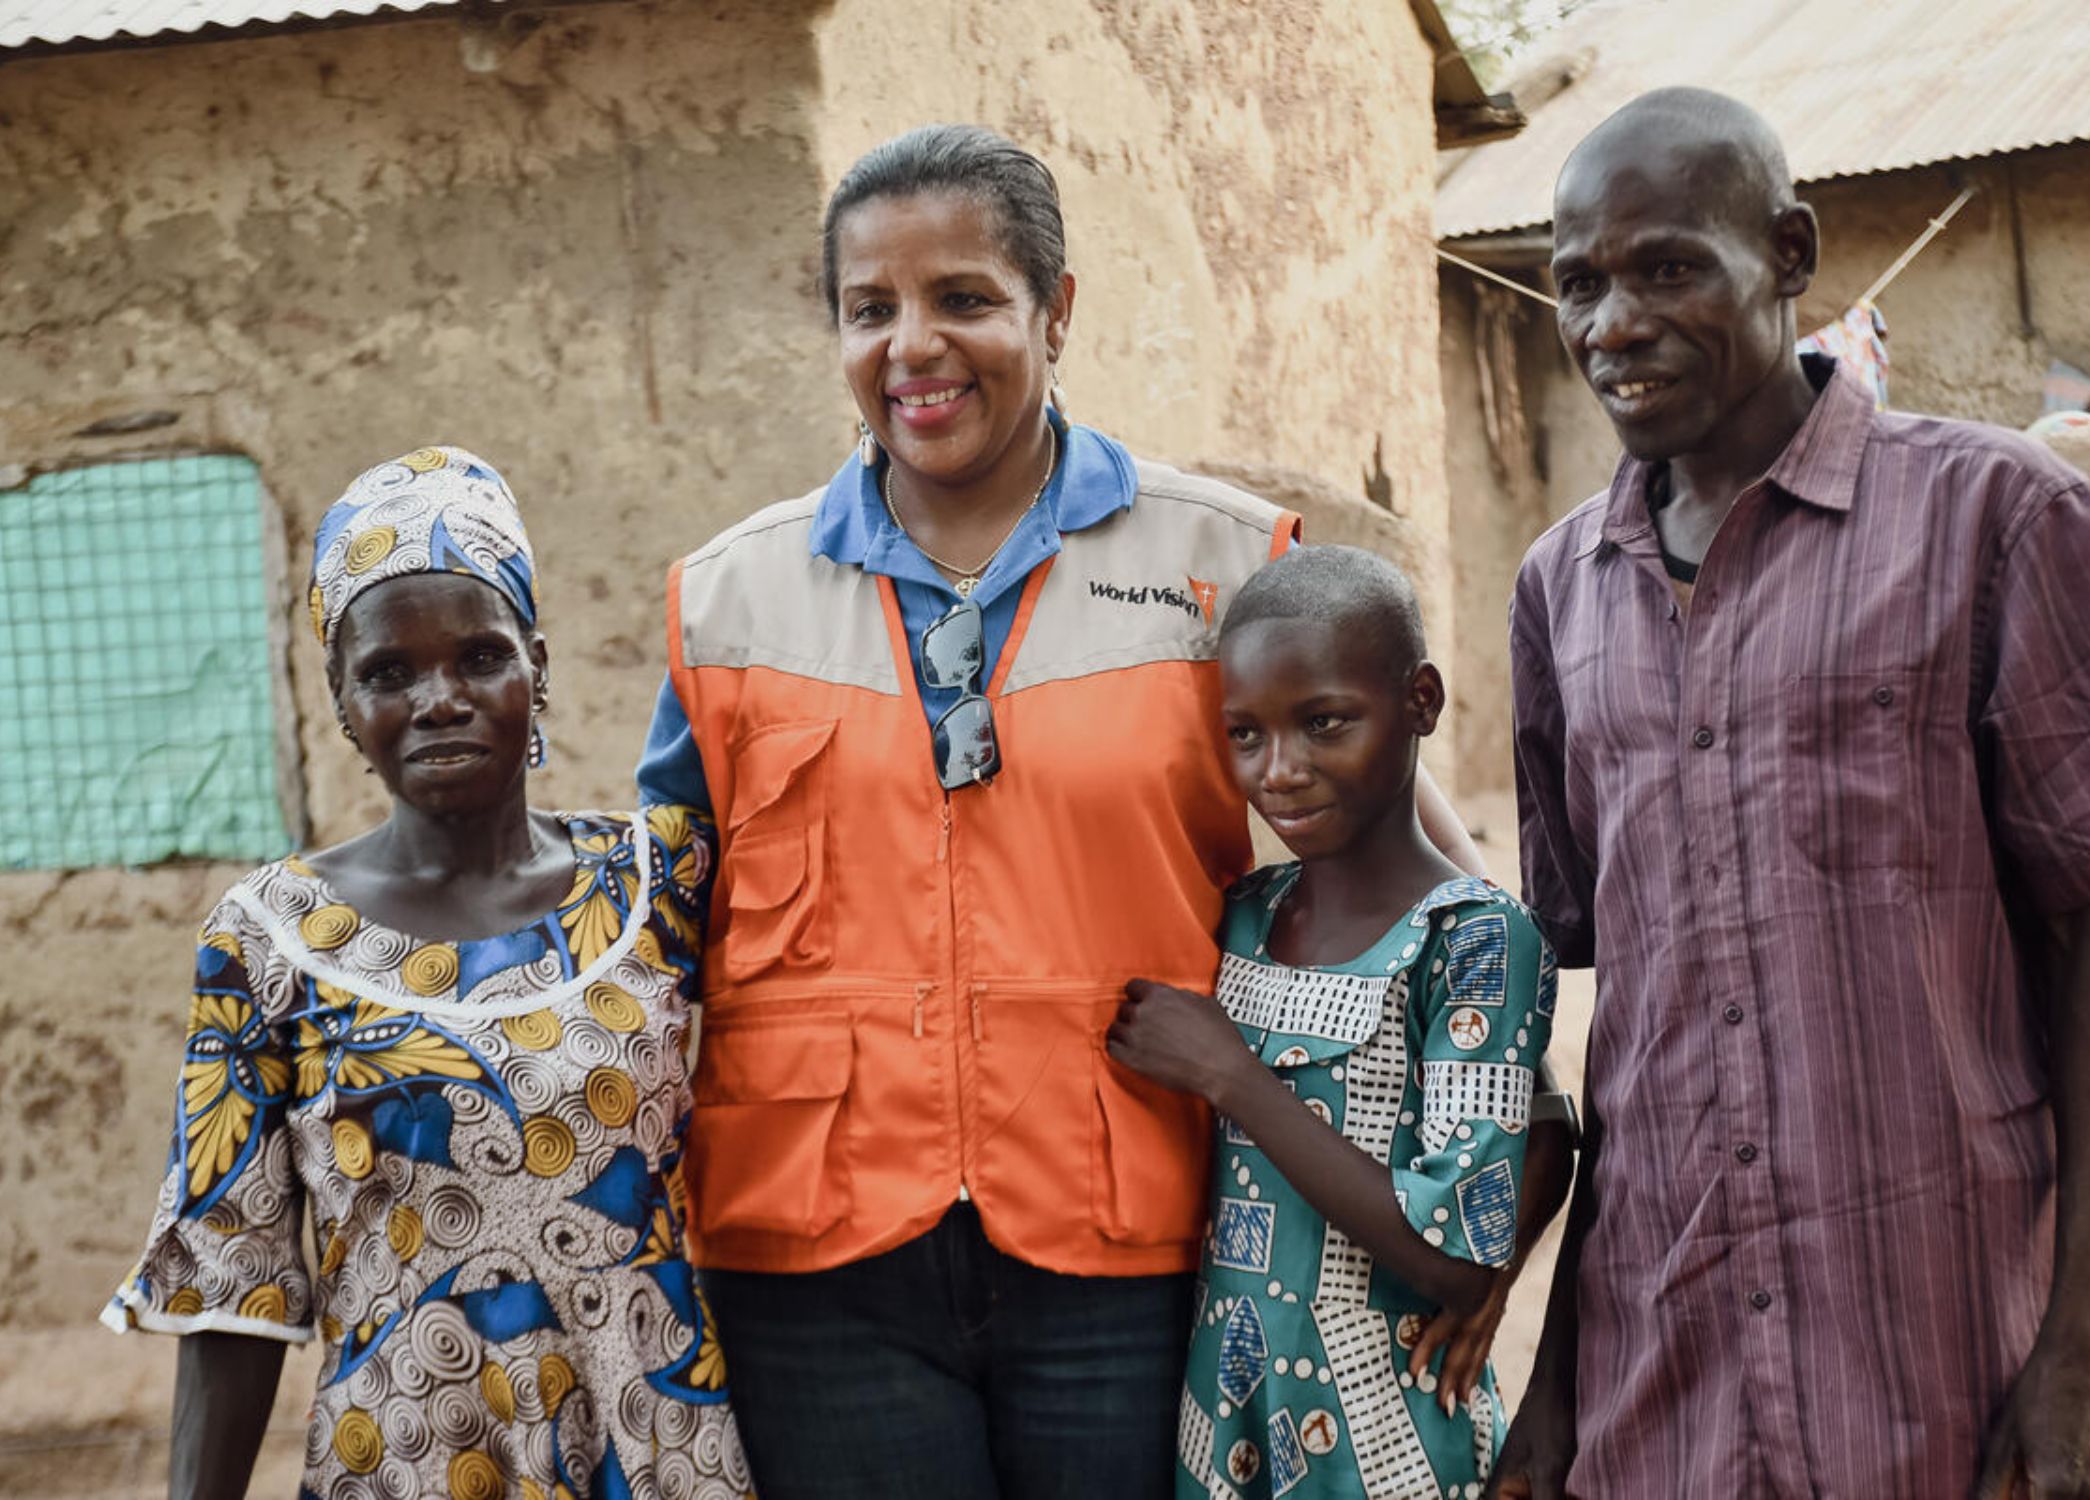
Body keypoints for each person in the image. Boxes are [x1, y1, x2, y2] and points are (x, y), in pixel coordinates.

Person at [638, 124, 1569, 1498]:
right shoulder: (728, 600)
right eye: (868, 308)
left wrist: (1505, 1194)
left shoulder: (1218, 563)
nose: (913, 347)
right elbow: (644, 954)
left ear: (1055, 310)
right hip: (815, 1263)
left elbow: (1439, 907)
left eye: (964, 299)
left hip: (1131, 1235)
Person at [1497, 87, 2090, 1499]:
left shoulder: (1997, 518)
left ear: (1788, 253)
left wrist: (2088, 1354)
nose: (1611, 326)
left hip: (1948, 1334)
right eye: (1576, 284)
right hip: (1675, 1359)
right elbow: (1628, 1029)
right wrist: (1556, 1378)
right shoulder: (1554, 593)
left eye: (1667, 268)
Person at [105, 447, 754, 1500]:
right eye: (388, 672)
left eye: (479, 656)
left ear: (537, 667)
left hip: (654, 1449)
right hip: (404, 1455)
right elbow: (238, 1284)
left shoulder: (661, 880)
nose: (439, 699)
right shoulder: (270, 939)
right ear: (341, 702)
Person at [1109, 545, 1563, 1499]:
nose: (1280, 771)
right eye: (1245, 735)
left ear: (1421, 704)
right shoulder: (1242, 913)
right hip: (1223, 1412)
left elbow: (1452, 1259)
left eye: (1324, 724)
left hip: (1391, 1428)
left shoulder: (1475, 938)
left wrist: (1235, 1079)